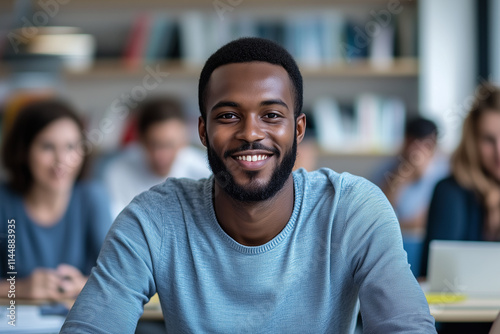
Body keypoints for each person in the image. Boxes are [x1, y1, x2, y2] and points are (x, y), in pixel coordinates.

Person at [61, 38, 436, 333]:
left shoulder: (353, 209)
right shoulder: (153, 218)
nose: (251, 133)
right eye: (228, 116)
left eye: (271, 115)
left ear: (299, 129)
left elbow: (405, 327)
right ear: (204, 132)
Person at [0, 99, 112, 301]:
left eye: (71, 147)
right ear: (24, 151)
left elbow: (120, 278)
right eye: (47, 147)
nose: (62, 160)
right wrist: (18, 288)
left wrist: (84, 285)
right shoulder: (4, 201)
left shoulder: (92, 197)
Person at [420, 83, 500, 334]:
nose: (499, 152)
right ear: (473, 142)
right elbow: (436, 277)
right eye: (489, 140)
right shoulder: (450, 192)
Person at [102, 97, 211, 218]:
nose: (161, 155)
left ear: (183, 142)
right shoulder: (118, 171)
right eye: (153, 144)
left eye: (169, 145)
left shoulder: (204, 171)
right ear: (140, 141)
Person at [375, 117, 449, 235]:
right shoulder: (387, 170)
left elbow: (432, 220)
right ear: (405, 142)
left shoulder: (445, 173)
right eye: (414, 145)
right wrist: (400, 178)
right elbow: (377, 215)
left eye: (426, 146)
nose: (418, 153)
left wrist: (396, 225)